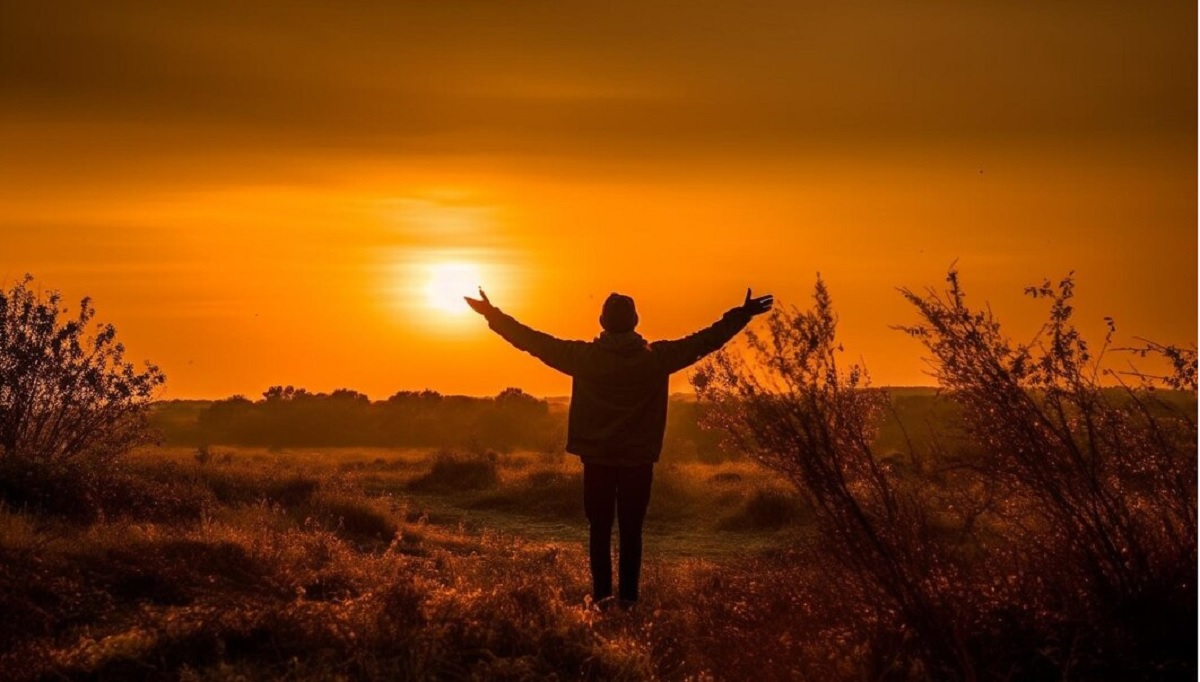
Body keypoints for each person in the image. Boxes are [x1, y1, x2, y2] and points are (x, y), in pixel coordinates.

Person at [465, 287, 773, 609]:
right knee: (631, 532)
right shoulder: (657, 358)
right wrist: (741, 315)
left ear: (601, 321)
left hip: (597, 459)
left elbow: (532, 341)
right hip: (639, 460)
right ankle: (628, 600)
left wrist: (492, 315)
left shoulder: (583, 358)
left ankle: (600, 599)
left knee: (599, 530)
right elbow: (705, 341)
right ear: (636, 321)